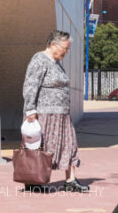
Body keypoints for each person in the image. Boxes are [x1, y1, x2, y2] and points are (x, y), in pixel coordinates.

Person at [23, 29, 88, 193]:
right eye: (65, 48)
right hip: (45, 114)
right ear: (53, 45)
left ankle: (70, 180)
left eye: (68, 49)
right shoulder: (40, 60)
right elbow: (31, 85)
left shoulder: (56, 63)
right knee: (42, 148)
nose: (66, 52)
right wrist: (30, 109)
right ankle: (34, 181)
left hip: (62, 114)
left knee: (70, 144)